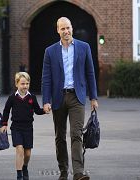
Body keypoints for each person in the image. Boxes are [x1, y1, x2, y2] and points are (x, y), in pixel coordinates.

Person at [41, 17, 99, 180]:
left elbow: (90, 73)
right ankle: (63, 171)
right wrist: (46, 101)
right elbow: (46, 78)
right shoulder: (50, 51)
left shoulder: (84, 47)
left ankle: (78, 172)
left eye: (68, 28)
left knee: (76, 133)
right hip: (58, 97)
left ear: (72, 28)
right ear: (57, 31)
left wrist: (93, 97)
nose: (66, 31)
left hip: (77, 97)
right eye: (62, 29)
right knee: (60, 136)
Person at [0, 72, 46, 180]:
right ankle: (19, 174)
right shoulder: (12, 98)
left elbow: (37, 111)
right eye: (22, 83)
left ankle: (25, 167)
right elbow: (6, 111)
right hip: (16, 128)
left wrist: (44, 110)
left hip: (28, 128)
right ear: (17, 84)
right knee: (19, 149)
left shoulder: (32, 97)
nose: (25, 86)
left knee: (28, 153)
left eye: (27, 83)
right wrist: (4, 124)